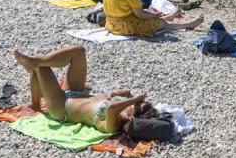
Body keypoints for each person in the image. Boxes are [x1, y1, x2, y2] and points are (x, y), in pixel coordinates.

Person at [12, 45, 149, 132]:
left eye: (137, 106)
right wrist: (129, 95)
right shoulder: (123, 104)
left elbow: (112, 109)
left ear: (133, 117)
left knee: (42, 69)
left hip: (62, 107)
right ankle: (34, 61)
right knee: (79, 51)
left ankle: (36, 103)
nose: (136, 103)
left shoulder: (115, 124)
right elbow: (116, 93)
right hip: (76, 93)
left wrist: (133, 100)